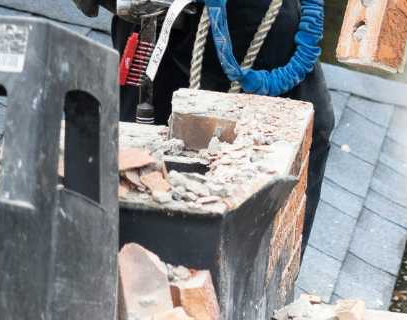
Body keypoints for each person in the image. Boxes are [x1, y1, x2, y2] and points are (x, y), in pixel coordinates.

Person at [73, 0, 335, 256]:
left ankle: (130, 264)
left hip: (153, 14)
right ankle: (149, 268)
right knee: (309, 131)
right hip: (227, 13)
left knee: (144, 140)